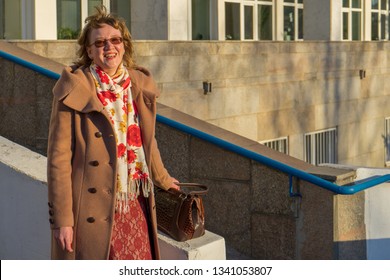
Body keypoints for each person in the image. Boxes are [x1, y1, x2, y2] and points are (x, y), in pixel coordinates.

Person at [47, 5, 178, 260]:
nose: (109, 47)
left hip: (134, 201)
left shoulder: (137, 85)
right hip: (91, 208)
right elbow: (58, 161)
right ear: (89, 50)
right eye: (100, 43)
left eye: (115, 40)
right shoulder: (73, 89)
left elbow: (148, 142)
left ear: (124, 45)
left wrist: (163, 178)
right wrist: (62, 220)